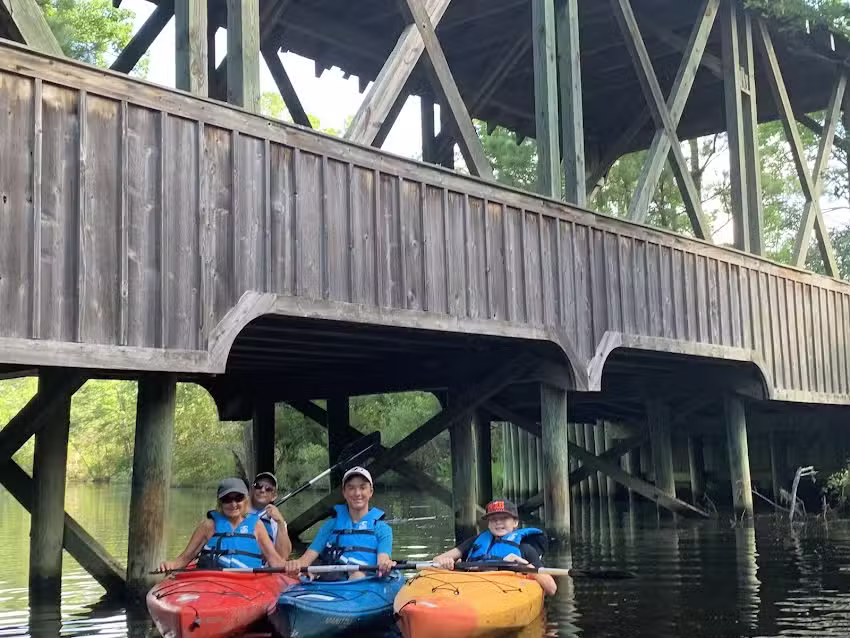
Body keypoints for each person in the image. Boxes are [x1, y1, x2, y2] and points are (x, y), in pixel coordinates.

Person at [284, 467, 394, 580]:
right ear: (344, 493)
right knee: (306, 574)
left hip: (364, 582)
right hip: (333, 581)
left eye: (362, 487)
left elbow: (383, 559)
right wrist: (295, 565)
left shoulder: (383, 529)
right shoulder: (330, 525)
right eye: (351, 488)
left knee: (357, 575)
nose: (357, 493)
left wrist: (385, 564)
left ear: (370, 492)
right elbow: (305, 560)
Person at [431, 499, 557, 595]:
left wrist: (523, 566)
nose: (498, 522)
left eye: (504, 518)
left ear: (515, 522)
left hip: (506, 593)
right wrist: (445, 561)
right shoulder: (475, 542)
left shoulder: (525, 549)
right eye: (493, 519)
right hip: (472, 589)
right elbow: (437, 560)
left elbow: (552, 588)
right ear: (489, 524)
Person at [159, 477, 286, 571]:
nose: (233, 504)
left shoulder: (257, 525)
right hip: (213, 582)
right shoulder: (208, 526)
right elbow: (185, 558)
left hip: (248, 583)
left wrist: (292, 566)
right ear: (220, 503)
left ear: (246, 500)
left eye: (238, 498)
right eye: (227, 499)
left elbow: (274, 559)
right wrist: (171, 565)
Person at [248, 471, 292, 559]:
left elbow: (283, 557)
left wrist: (280, 523)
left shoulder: (277, 521)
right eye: (258, 486)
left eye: (268, 489)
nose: (262, 490)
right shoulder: (239, 512)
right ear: (252, 490)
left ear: (274, 496)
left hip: (266, 568)